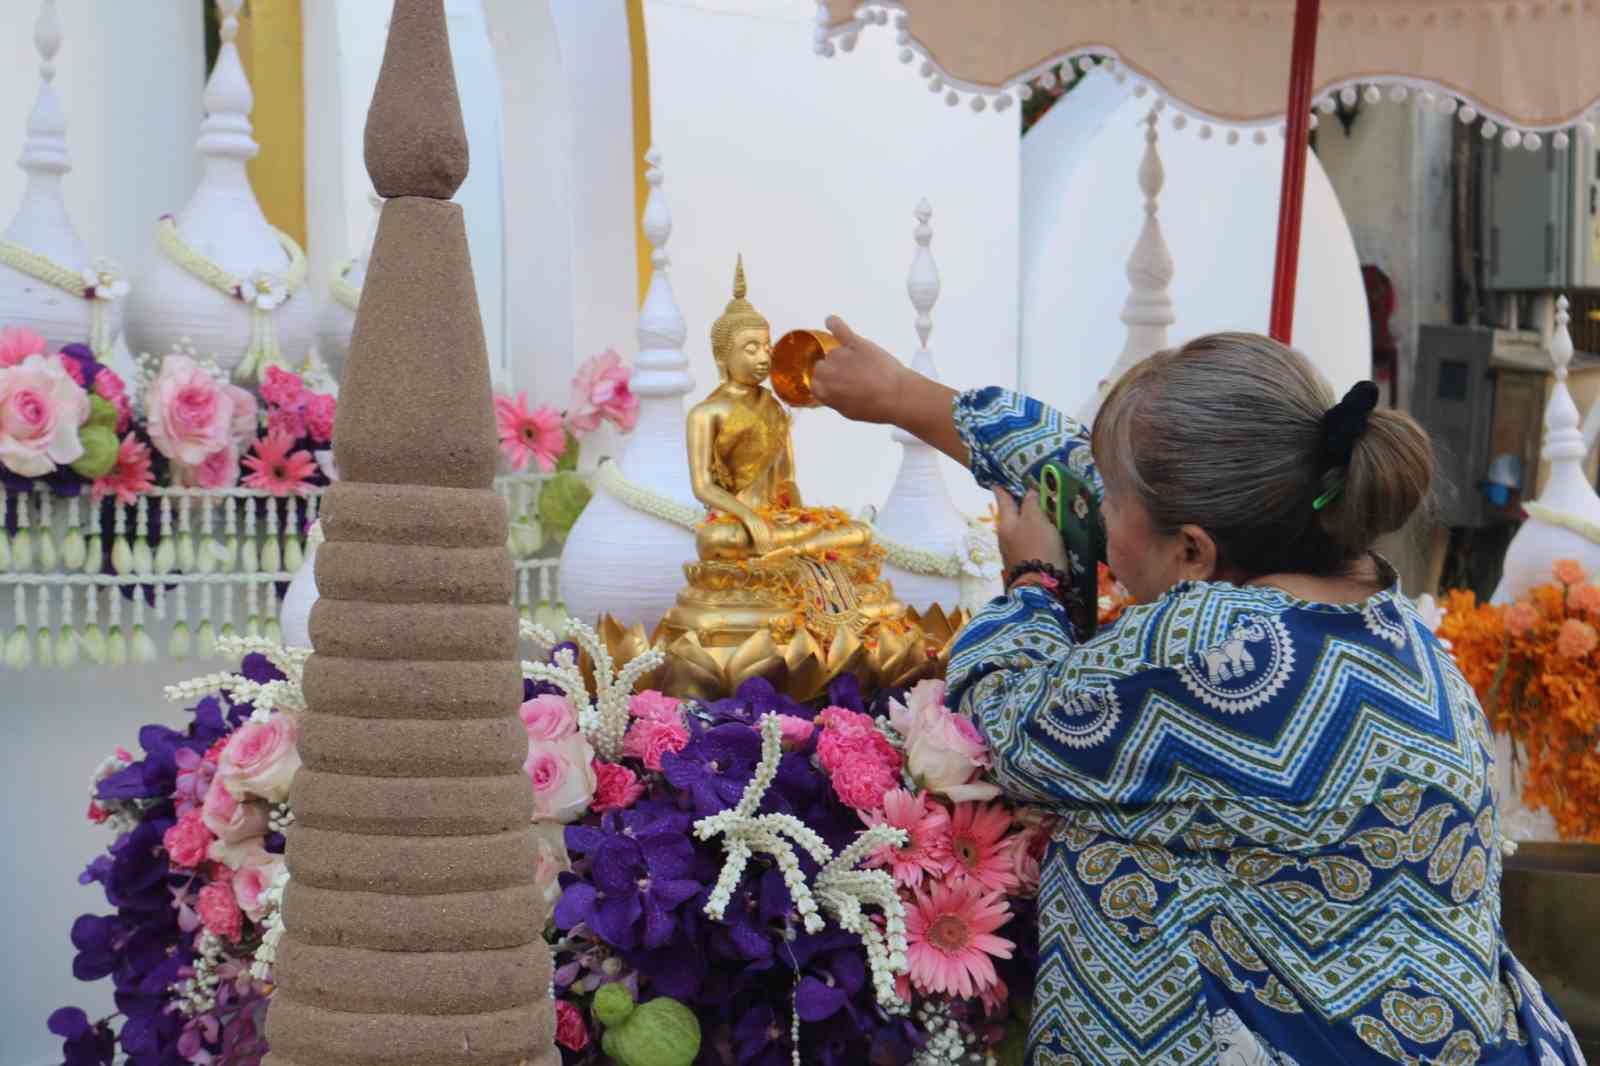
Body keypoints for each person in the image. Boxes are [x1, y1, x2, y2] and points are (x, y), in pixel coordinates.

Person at [810, 319, 1587, 1066]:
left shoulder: (1218, 649)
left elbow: (1003, 720)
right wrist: (904, 395)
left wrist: (1033, 582)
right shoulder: (1384, 615)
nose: (1095, 513)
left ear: (1191, 550)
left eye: (1110, 505)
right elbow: (1084, 474)